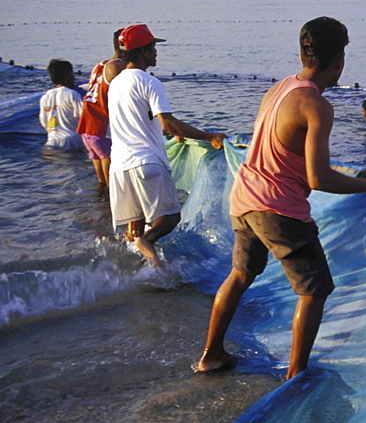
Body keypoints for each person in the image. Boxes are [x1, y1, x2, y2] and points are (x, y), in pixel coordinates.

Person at [193, 17, 366, 380]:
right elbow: (318, 177)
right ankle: (296, 374)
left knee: (241, 274)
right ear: (339, 61)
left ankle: (210, 355)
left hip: (244, 197)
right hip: (278, 208)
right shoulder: (316, 106)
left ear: (302, 53)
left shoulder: (280, 88)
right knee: (314, 290)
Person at [108, 24, 228, 268]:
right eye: (152, 47)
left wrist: (173, 133)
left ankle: (142, 268)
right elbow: (168, 122)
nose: (156, 52)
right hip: (147, 162)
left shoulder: (116, 84)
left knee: (134, 225)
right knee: (171, 217)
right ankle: (148, 241)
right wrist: (209, 136)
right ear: (143, 52)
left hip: (119, 166)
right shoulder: (150, 82)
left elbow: (142, 120)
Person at [77, 29, 126, 184]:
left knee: (101, 182)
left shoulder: (100, 65)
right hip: (102, 129)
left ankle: (99, 206)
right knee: (112, 184)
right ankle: (106, 207)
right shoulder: (118, 67)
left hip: (87, 129)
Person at [39, 59, 83, 149]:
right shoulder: (72, 94)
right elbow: (83, 117)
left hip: (52, 140)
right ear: (68, 76)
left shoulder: (45, 97)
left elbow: (44, 121)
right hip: (72, 139)